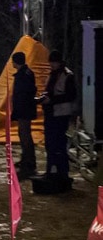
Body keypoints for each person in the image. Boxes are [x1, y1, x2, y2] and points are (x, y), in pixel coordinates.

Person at [41, 50, 77, 180]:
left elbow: (71, 95)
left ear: (59, 62)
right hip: (50, 113)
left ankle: (62, 172)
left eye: (54, 63)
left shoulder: (67, 76)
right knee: (50, 144)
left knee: (59, 144)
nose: (52, 65)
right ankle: (51, 170)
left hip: (61, 115)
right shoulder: (51, 74)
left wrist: (52, 100)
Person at [10, 51, 39, 179]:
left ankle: (29, 163)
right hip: (24, 109)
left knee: (25, 136)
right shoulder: (26, 74)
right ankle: (26, 160)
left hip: (24, 110)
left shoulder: (24, 75)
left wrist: (18, 109)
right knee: (23, 135)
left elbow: (24, 94)